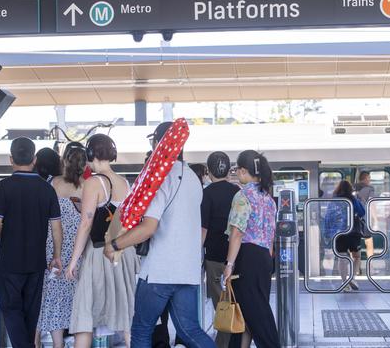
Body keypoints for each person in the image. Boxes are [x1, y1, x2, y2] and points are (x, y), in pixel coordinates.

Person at [103, 122, 215, 348]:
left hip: (159, 271)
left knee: (142, 329)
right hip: (188, 271)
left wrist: (115, 244)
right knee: (190, 330)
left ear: (159, 143)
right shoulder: (193, 178)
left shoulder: (160, 178)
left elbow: (148, 227)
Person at [0, 137, 63, 347]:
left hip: (10, 262)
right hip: (36, 263)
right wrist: (56, 255)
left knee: (11, 310)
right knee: (31, 313)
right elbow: (56, 227)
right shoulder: (47, 189)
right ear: (34, 159)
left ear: (11, 159)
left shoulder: (3, 187)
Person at [66, 134, 137, 348]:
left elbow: (86, 224)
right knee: (127, 315)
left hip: (99, 254)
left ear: (90, 154)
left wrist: (72, 262)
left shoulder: (93, 183)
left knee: (84, 314)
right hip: (124, 253)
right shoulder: (125, 183)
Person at [222, 150, 279, 348]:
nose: (236, 172)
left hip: (247, 257)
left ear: (244, 170)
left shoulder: (242, 196)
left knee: (256, 312)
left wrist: (229, 265)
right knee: (249, 311)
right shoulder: (268, 199)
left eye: (237, 169)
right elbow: (271, 234)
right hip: (264, 257)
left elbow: (237, 233)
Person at [36, 142, 88, 348]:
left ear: (64, 162)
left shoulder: (52, 184)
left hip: (53, 248)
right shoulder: (88, 187)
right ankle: (79, 342)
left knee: (53, 297)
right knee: (78, 298)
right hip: (79, 249)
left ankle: (57, 344)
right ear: (84, 165)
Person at [201, 151, 240, 348]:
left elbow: (203, 228)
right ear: (229, 170)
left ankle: (224, 344)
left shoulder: (206, 194)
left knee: (222, 305)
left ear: (208, 171)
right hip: (238, 256)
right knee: (238, 303)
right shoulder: (237, 192)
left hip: (215, 258)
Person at [323, 180, 365, 292]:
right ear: (350, 189)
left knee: (342, 258)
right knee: (357, 256)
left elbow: (328, 217)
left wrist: (326, 233)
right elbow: (362, 212)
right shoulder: (353, 199)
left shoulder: (334, 201)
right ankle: (352, 278)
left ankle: (344, 283)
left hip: (339, 234)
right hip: (353, 232)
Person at [354, 171, 375, 260]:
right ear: (366, 178)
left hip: (354, 218)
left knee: (355, 243)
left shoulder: (353, 187)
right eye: (369, 178)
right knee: (368, 241)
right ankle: (371, 267)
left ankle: (356, 269)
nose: (370, 180)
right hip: (365, 217)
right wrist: (375, 219)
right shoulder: (370, 188)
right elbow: (372, 204)